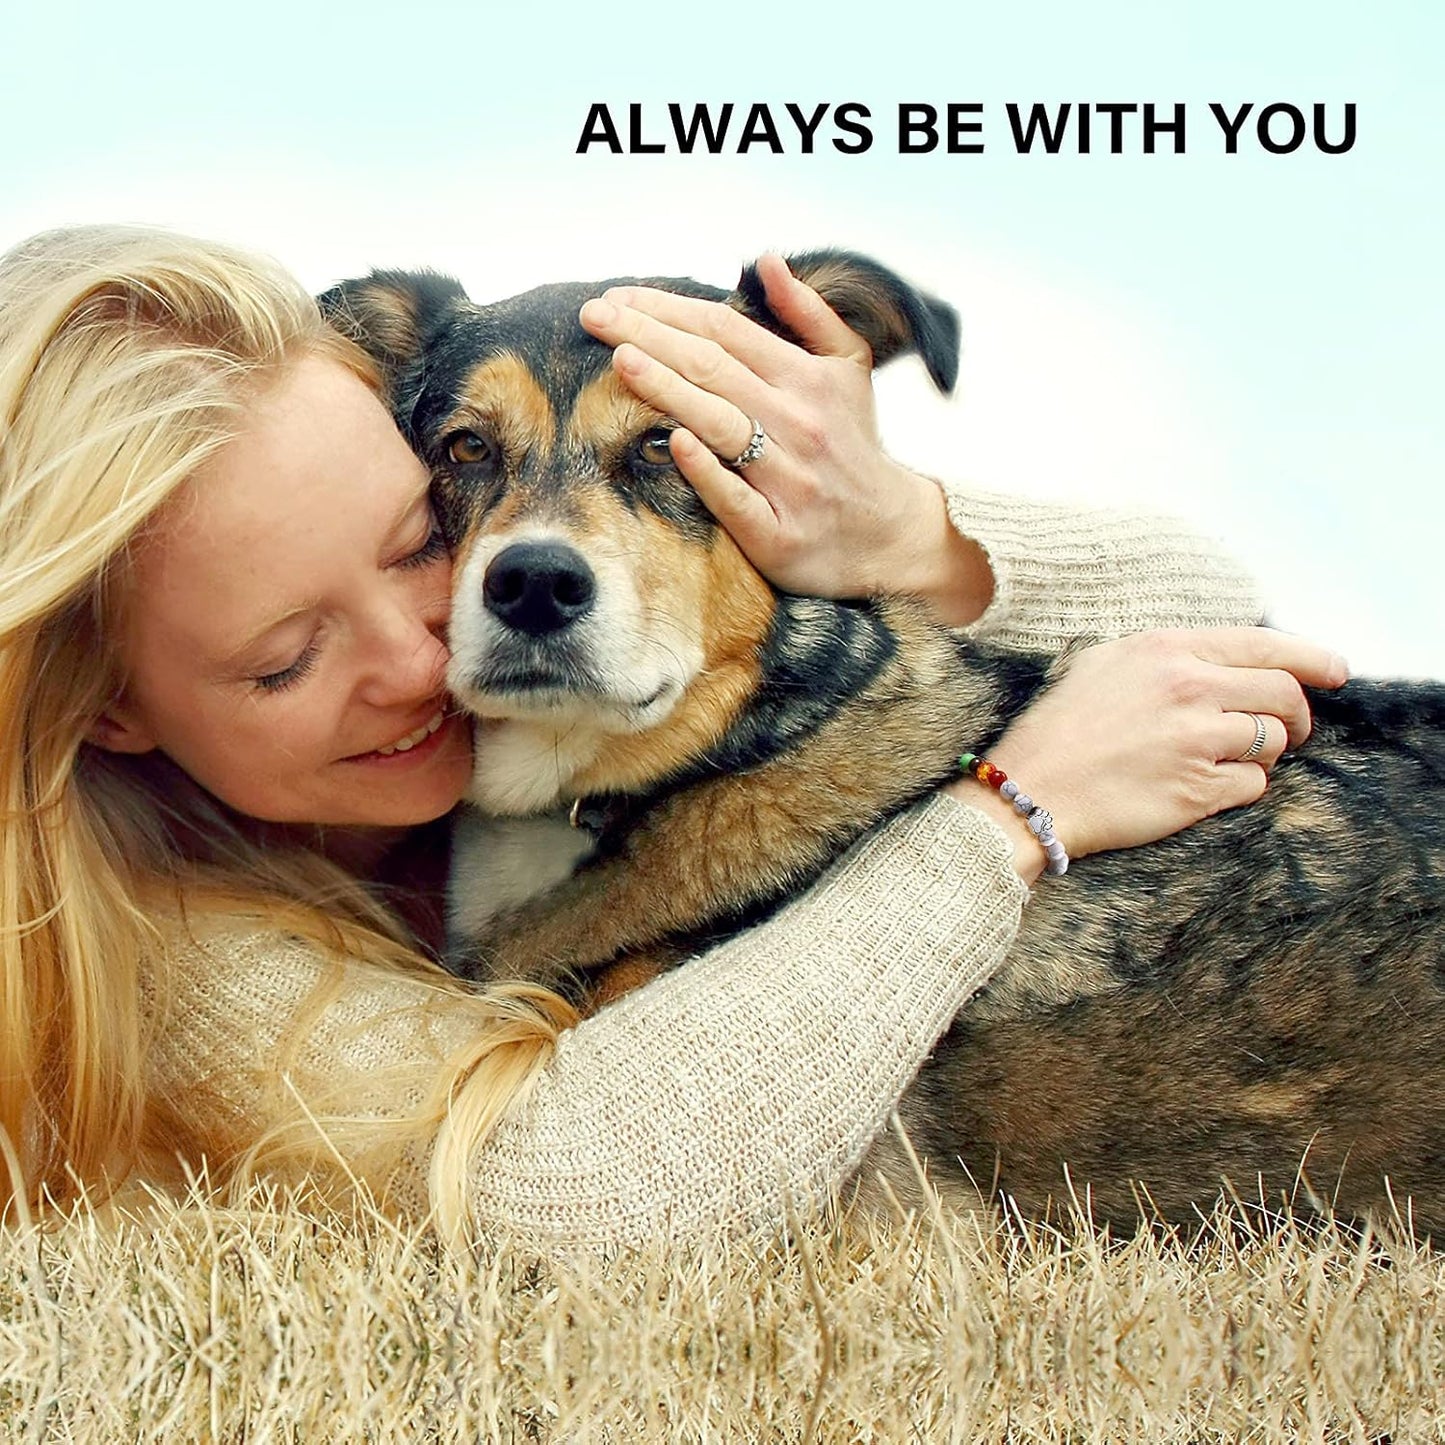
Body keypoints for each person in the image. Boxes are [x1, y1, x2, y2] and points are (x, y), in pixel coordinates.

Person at [0, 225, 1345, 1249]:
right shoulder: (164, 960)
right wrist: (1008, 815)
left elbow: (1223, 628)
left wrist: (899, 529)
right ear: (103, 709)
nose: (433, 652)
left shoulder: (550, 736)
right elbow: (586, 1201)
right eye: (288, 657)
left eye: (422, 539)